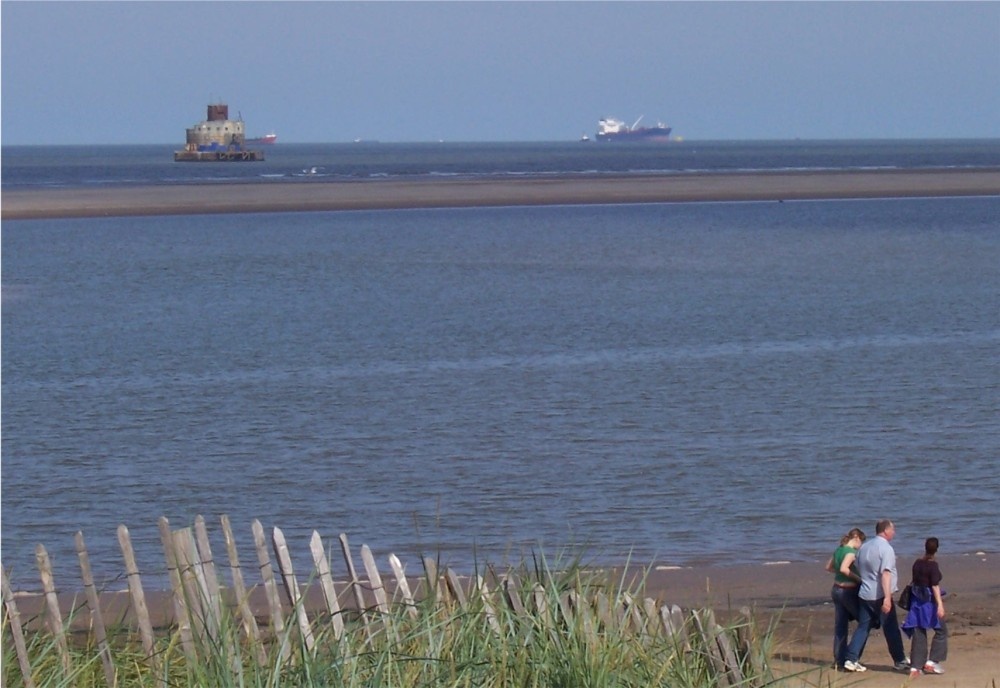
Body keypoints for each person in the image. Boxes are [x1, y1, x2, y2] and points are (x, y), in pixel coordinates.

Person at [842, 519, 909, 673]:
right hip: (878, 595)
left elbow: (859, 566)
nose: (894, 532)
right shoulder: (886, 549)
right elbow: (886, 574)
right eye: (893, 529)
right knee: (890, 628)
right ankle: (899, 660)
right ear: (885, 531)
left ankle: (851, 659)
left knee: (864, 626)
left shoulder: (865, 547)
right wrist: (887, 598)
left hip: (865, 593)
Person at [902, 537, 948, 677]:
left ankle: (915, 667)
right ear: (936, 549)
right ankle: (932, 662)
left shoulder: (917, 563)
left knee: (919, 632)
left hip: (917, 602)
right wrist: (940, 605)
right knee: (941, 631)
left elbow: (915, 581)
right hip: (928, 603)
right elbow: (934, 586)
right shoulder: (933, 566)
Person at [824, 528, 865, 669]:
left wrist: (843, 574)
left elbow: (829, 567)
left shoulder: (838, 550)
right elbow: (843, 568)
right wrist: (858, 579)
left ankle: (839, 660)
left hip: (836, 589)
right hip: (847, 590)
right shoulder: (850, 552)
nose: (861, 546)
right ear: (857, 538)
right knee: (864, 622)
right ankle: (851, 658)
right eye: (862, 542)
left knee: (840, 626)